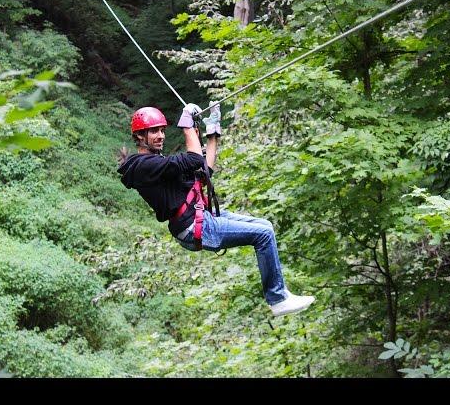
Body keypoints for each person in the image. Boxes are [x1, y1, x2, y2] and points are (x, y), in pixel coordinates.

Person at [117, 103, 315, 317]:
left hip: (200, 218)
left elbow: (203, 170)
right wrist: (187, 126)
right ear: (139, 136)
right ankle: (277, 299)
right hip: (194, 227)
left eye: (163, 130)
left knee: (266, 227)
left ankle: (280, 293)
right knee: (264, 234)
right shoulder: (142, 167)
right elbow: (192, 158)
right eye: (154, 131)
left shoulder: (157, 164)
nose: (161, 135)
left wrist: (213, 133)